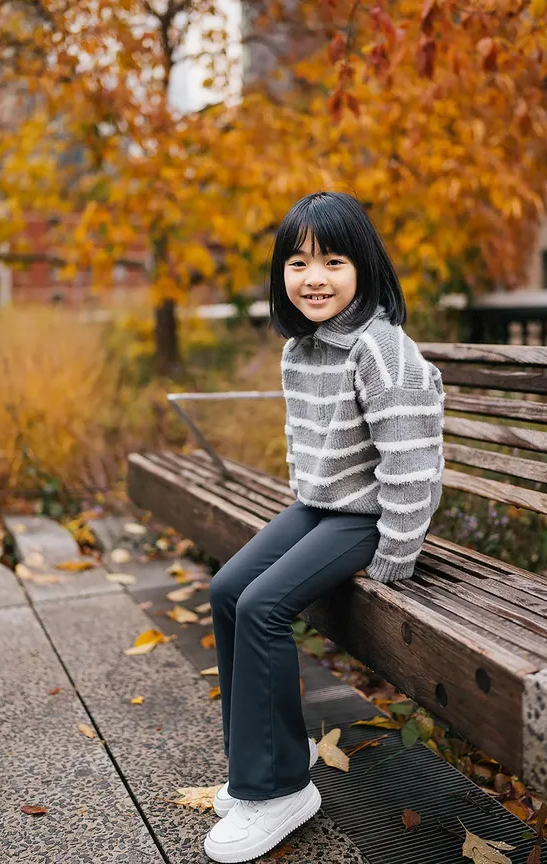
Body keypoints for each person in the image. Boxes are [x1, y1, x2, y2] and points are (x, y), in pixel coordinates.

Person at [203, 191, 445, 863]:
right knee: (227, 589)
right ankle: (274, 750)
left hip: (370, 517)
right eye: (299, 263)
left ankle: (279, 788)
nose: (314, 277)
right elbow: (307, 448)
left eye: (334, 261)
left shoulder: (383, 351)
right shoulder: (303, 351)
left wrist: (396, 555)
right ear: (281, 274)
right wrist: (301, 517)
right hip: (322, 506)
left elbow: (412, 463)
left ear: (365, 267)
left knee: (262, 605)